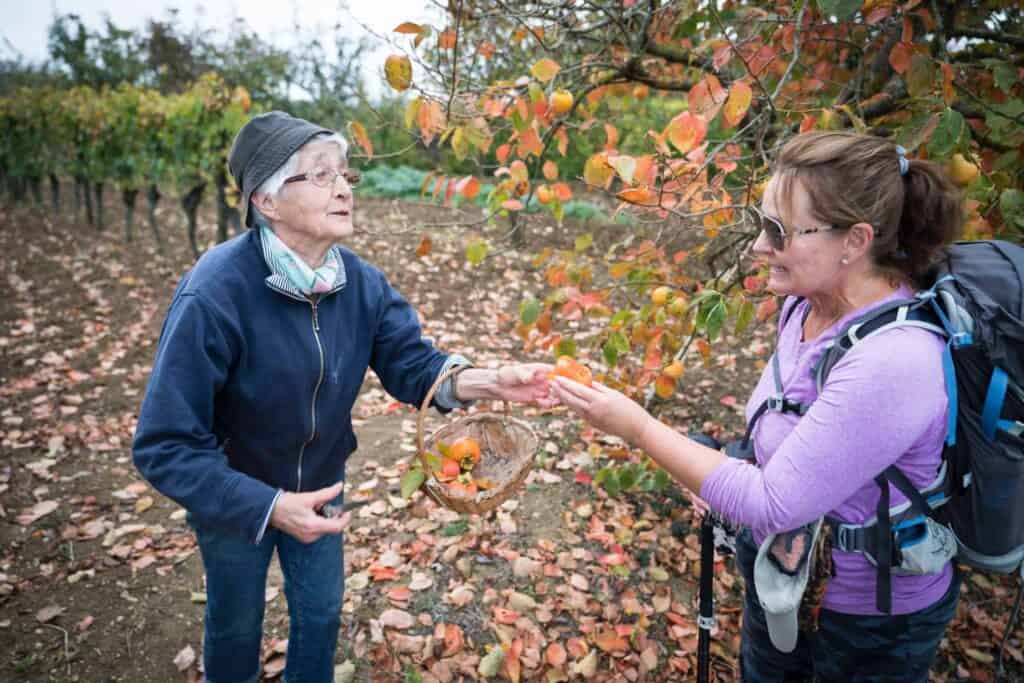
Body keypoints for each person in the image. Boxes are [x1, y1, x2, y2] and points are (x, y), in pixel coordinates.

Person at [132, 111, 554, 683]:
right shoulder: (215, 293)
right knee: (235, 625)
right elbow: (164, 444)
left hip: (322, 484)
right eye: (321, 174)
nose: (342, 188)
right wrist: (268, 506)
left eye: (346, 176)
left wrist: (489, 379)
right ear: (267, 200)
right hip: (234, 496)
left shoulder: (361, 284)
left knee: (322, 613)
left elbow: (414, 366)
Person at [551, 131, 964, 682]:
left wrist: (637, 428)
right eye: (760, 221)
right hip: (781, 583)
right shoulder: (803, 308)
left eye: (779, 231)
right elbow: (797, 428)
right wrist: (731, 464)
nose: (757, 246)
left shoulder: (895, 361)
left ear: (855, 241)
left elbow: (773, 504)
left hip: (870, 626)